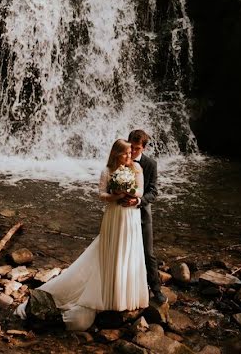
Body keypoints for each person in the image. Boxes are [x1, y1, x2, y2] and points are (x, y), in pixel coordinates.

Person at [16, 139, 149, 331]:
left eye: (130, 153)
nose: (129, 157)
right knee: (112, 251)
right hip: (114, 215)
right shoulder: (107, 170)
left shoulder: (137, 168)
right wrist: (116, 195)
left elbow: (140, 190)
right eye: (125, 154)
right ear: (116, 154)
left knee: (130, 251)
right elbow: (101, 194)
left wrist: (132, 196)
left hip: (131, 216)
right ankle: (111, 297)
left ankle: (128, 296)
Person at [124, 129, 166, 304]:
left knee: (148, 253)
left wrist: (138, 201)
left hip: (142, 212)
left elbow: (153, 192)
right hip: (122, 212)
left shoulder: (150, 164)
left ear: (144, 148)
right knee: (122, 252)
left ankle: (156, 290)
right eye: (131, 147)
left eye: (137, 149)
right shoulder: (121, 159)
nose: (133, 152)